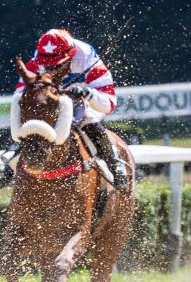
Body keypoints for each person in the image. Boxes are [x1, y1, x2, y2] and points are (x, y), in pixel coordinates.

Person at [16, 28, 128, 187]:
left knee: (88, 117)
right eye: (47, 65)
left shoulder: (87, 57)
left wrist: (87, 93)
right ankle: (13, 159)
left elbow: (109, 103)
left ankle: (115, 164)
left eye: (56, 65)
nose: (51, 69)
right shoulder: (36, 61)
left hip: (84, 102)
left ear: (71, 56)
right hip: (52, 103)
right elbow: (20, 92)